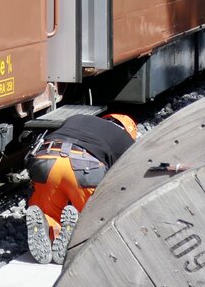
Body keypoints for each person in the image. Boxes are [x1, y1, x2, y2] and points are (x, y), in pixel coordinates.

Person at [24, 112, 136, 265]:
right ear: (129, 131)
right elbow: (127, 180)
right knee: (92, 218)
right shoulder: (126, 140)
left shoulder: (77, 118)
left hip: (46, 161)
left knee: (49, 212)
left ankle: (51, 231)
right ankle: (75, 235)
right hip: (83, 168)